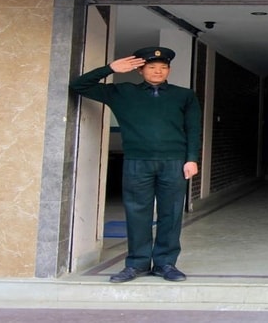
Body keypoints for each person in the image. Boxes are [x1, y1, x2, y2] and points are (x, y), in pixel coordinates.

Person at [70, 46, 201, 283]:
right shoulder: (121, 92)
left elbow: (193, 128)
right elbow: (78, 86)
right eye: (152, 67)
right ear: (140, 70)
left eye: (163, 68)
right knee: (136, 212)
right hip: (137, 162)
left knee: (170, 214)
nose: (158, 71)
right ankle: (137, 264)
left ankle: (165, 263)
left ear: (169, 70)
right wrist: (109, 69)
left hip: (174, 162)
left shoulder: (184, 95)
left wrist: (192, 158)